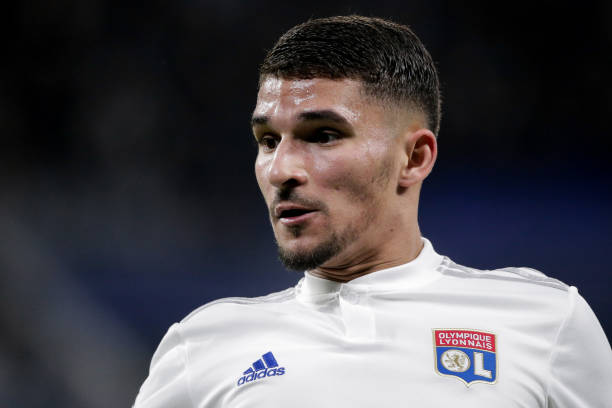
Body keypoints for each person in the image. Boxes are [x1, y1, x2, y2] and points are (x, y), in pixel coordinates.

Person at [133, 15, 612, 407]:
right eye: (267, 141)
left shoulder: (546, 322)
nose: (281, 170)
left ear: (415, 157)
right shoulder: (202, 347)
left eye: (322, 135)